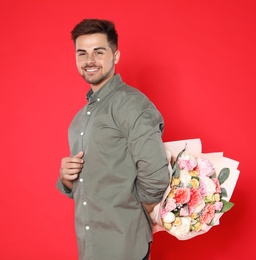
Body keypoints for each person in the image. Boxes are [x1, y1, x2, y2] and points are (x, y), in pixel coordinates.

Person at [56, 18, 170, 260]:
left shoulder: (130, 103)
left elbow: (156, 173)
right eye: (82, 53)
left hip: (124, 245)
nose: (89, 61)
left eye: (98, 52)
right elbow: (89, 183)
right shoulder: (79, 120)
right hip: (90, 244)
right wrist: (66, 179)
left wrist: (140, 212)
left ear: (115, 56)